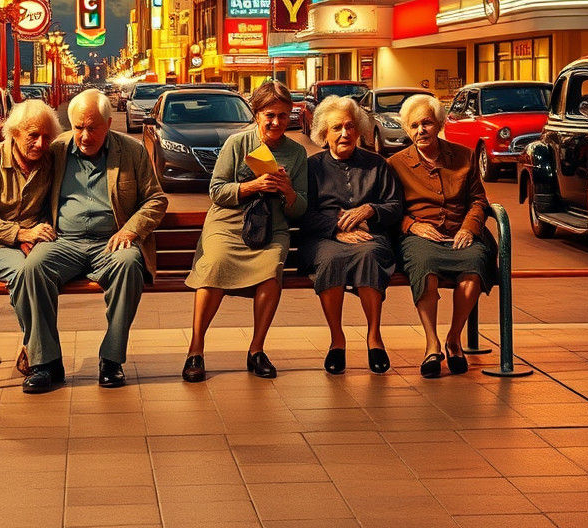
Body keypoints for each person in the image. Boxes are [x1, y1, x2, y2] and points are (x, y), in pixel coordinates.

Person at [182, 80, 308, 382]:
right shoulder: (237, 144)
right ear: (256, 114)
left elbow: (300, 208)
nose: (276, 122)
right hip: (229, 223)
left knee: (271, 268)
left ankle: (256, 350)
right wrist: (251, 186)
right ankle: (195, 349)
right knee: (214, 264)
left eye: (282, 115)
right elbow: (216, 191)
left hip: (272, 227)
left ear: (290, 114)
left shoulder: (297, 153)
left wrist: (288, 191)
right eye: (269, 115)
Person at [46, 88, 167, 389]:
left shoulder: (132, 151)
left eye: (92, 128)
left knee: (129, 264)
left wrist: (131, 230)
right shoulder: (56, 150)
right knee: (33, 267)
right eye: (78, 127)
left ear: (109, 124)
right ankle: (46, 361)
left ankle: (111, 360)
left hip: (112, 243)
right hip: (64, 242)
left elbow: (155, 199)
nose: (84, 136)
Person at [387, 94, 497, 378]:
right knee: (425, 268)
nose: (420, 130)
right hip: (420, 236)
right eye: (414, 126)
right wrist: (411, 225)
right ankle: (431, 343)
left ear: (439, 124)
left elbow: (478, 200)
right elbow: (391, 208)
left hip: (461, 232)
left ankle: (454, 338)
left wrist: (469, 227)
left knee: (473, 268)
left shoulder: (463, 156)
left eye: (426, 123)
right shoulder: (396, 163)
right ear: (407, 130)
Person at [299, 96, 403, 375]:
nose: (344, 133)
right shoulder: (312, 167)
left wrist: (370, 210)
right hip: (324, 238)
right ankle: (337, 341)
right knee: (331, 259)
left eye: (349, 126)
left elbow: (395, 206)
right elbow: (303, 213)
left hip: (369, 238)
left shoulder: (377, 164)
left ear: (358, 130)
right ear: (323, 134)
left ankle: (374, 338)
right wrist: (336, 228)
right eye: (336, 128)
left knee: (370, 255)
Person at [0, 98, 63, 393]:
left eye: (47, 136)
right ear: (15, 132)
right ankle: (44, 360)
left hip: (37, 243)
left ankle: (44, 359)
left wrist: (37, 235)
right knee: (24, 274)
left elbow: (56, 206)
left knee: (35, 270)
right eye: (33, 135)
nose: (40, 143)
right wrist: (20, 234)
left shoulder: (50, 162)